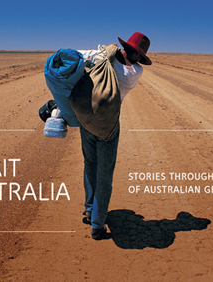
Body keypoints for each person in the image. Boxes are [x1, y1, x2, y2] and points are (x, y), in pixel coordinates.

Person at [76, 32, 152, 239]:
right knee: (105, 175)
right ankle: (97, 225)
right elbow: (124, 66)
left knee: (89, 165)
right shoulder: (136, 71)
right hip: (108, 125)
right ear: (140, 56)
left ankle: (90, 210)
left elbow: (76, 55)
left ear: (125, 46)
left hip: (87, 119)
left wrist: (108, 50)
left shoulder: (102, 57)